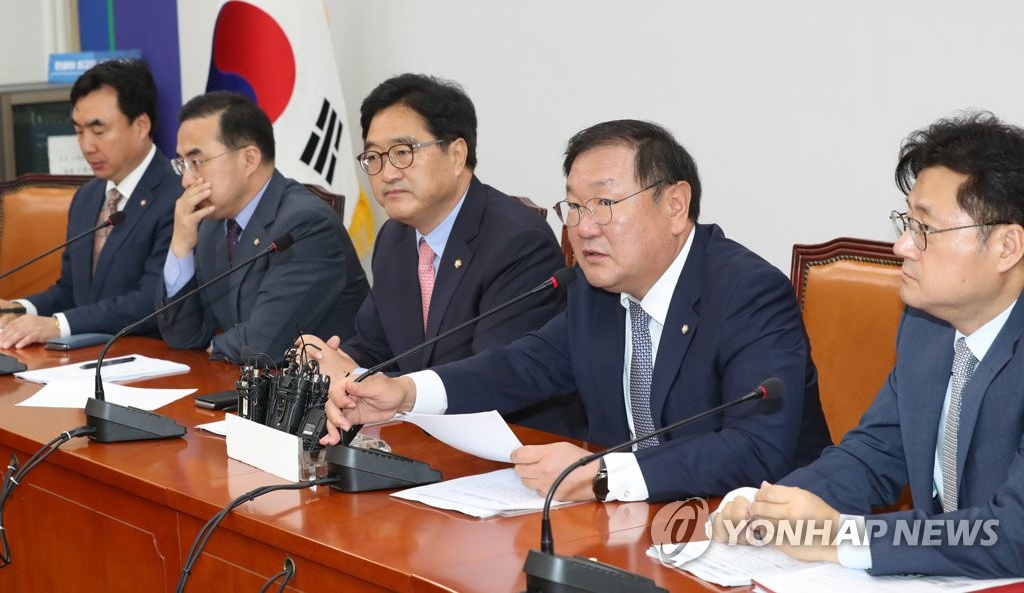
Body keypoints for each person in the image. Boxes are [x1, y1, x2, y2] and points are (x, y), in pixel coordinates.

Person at [323, 119, 831, 503]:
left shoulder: (748, 292)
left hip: (761, 533)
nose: (584, 228)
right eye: (574, 207)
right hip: (633, 523)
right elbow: (524, 365)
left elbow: (756, 447)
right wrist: (405, 393)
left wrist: (607, 474)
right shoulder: (595, 290)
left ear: (676, 205)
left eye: (604, 205)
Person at [713, 111, 1024, 577]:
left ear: (1007, 247)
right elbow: (873, 454)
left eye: (925, 229)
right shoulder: (925, 329)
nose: (902, 246)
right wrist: (767, 508)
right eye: (907, 222)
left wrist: (846, 537)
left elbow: (1013, 533)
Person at [303, 73, 585, 438]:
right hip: (417, 438)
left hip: (510, 446)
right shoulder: (395, 238)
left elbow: (492, 378)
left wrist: (357, 378)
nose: (387, 173)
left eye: (402, 153)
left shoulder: (518, 241)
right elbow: (375, 344)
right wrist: (328, 360)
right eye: (374, 157)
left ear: (456, 155)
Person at [157, 91, 368, 363]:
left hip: (327, 386)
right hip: (248, 381)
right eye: (182, 164)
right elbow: (182, 335)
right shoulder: (212, 226)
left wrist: (214, 345)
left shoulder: (306, 225)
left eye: (196, 162)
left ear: (249, 159)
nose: (186, 180)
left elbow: (262, 344)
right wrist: (180, 247)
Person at [0, 59, 178, 348]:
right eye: (79, 131)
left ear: (141, 125)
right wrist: (19, 309)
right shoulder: (87, 197)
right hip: (82, 357)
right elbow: (71, 292)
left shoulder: (176, 195)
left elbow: (152, 301)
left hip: (147, 356)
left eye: (99, 130)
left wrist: (58, 325)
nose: (86, 146)